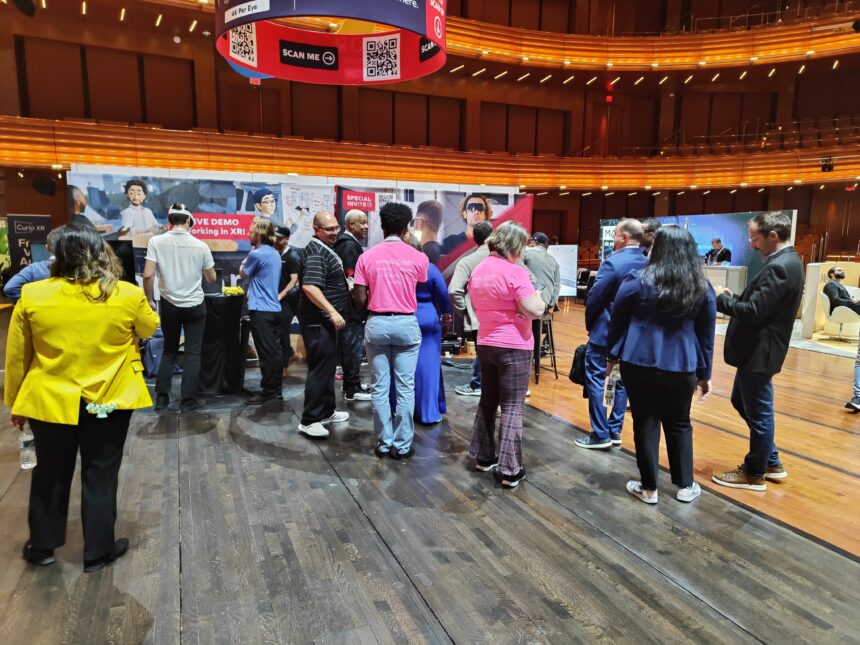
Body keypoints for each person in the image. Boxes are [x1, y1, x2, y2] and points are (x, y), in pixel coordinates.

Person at [4, 224, 159, 572]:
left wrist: (16, 404)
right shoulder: (126, 294)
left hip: (49, 401)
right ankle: (97, 552)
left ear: (57, 256)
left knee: (50, 474)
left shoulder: (33, 295)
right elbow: (150, 327)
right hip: (110, 400)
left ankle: (42, 547)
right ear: (101, 254)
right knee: (100, 474)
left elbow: (17, 356)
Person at [607, 225, 716, 504]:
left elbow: (617, 321)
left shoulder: (637, 279)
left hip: (638, 360)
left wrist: (611, 357)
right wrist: (705, 374)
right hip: (682, 364)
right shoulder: (702, 286)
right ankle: (685, 485)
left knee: (645, 421)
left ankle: (649, 488)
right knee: (680, 422)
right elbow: (706, 334)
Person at [712, 211, 804, 491]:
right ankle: (771, 460)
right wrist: (732, 298)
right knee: (741, 401)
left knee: (760, 413)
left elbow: (753, 312)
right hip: (759, 351)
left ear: (773, 236)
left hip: (759, 353)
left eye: (754, 238)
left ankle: (754, 472)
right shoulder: (788, 262)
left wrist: (720, 301)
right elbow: (761, 304)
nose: (752, 244)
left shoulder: (780, 266)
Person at [466, 221, 546, 488]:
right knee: (511, 405)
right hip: (514, 344)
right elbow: (536, 309)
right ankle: (510, 470)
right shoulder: (515, 272)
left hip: (486, 342)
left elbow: (478, 306)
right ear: (514, 246)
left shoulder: (478, 270)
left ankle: (483, 456)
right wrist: (535, 302)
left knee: (488, 402)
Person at [353, 203, 429, 459]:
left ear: (382, 227)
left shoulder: (366, 257)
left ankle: (384, 443)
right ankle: (403, 444)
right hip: (406, 323)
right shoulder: (419, 258)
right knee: (406, 388)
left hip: (377, 324)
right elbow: (419, 285)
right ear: (406, 229)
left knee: (379, 387)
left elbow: (360, 301)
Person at [575, 219, 648, 450]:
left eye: (615, 234)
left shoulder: (613, 263)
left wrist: (591, 325)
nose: (613, 239)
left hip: (606, 332)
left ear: (624, 237)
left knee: (597, 377)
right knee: (621, 380)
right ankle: (615, 429)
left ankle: (600, 433)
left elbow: (595, 298)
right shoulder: (648, 263)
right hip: (634, 334)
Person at [143, 204, 216, 412]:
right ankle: (188, 400)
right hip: (195, 304)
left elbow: (148, 275)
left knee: (169, 350)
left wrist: (149, 300)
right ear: (189, 223)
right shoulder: (201, 245)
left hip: (169, 305)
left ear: (169, 223)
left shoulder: (156, 241)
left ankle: (162, 398)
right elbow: (211, 278)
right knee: (193, 353)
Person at [296, 211, 350, 438]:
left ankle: (326, 411)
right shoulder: (317, 252)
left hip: (322, 320)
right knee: (320, 368)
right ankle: (309, 419)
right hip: (318, 319)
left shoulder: (321, 248)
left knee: (327, 367)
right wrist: (331, 311)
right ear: (316, 229)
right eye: (329, 229)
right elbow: (310, 286)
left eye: (336, 227)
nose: (334, 232)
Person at [408, 235, 452, 425]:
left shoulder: (398, 267)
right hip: (427, 317)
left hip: (403, 315)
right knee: (428, 367)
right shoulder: (429, 268)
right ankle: (427, 412)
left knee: (401, 367)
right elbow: (443, 296)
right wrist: (446, 314)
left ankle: (401, 410)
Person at [241, 218, 283, 405]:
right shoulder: (273, 253)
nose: (249, 234)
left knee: (267, 354)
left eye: (251, 231)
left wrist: (244, 262)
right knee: (273, 351)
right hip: (273, 308)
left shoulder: (256, 254)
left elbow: (243, 273)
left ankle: (269, 392)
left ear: (259, 233)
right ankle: (275, 389)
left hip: (261, 309)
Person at [448, 221, 494, 397]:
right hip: (506, 316)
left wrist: (465, 311)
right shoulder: (508, 258)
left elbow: (453, 290)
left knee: (483, 353)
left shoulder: (468, 261)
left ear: (474, 239)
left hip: (478, 317)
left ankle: (477, 385)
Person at [333, 209, 372, 401]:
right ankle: (352, 388)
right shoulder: (349, 246)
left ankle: (352, 384)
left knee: (351, 345)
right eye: (361, 223)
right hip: (351, 308)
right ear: (350, 225)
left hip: (348, 307)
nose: (365, 226)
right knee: (352, 346)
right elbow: (352, 279)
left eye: (366, 222)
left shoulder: (347, 244)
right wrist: (360, 302)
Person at [524, 231, 561, 365]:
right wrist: (550, 305)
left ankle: (524, 353)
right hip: (546, 309)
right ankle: (540, 347)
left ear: (535, 242)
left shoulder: (528, 253)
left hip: (530, 307)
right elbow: (557, 286)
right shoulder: (553, 261)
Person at [3, 226, 63, 302]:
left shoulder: (34, 269)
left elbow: (9, 288)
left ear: (47, 248)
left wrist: (33, 301)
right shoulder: (78, 268)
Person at [274, 226, 300, 374]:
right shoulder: (275, 254)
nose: (275, 240)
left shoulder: (292, 256)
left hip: (288, 300)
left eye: (279, 237)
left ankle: (284, 366)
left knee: (282, 330)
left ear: (286, 239)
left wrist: (281, 295)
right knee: (279, 330)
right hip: (277, 299)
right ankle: (289, 353)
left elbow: (294, 280)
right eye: (274, 237)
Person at [411, 200, 444, 265]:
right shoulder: (442, 251)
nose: (413, 226)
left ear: (419, 222)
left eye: (413, 221)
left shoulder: (421, 255)